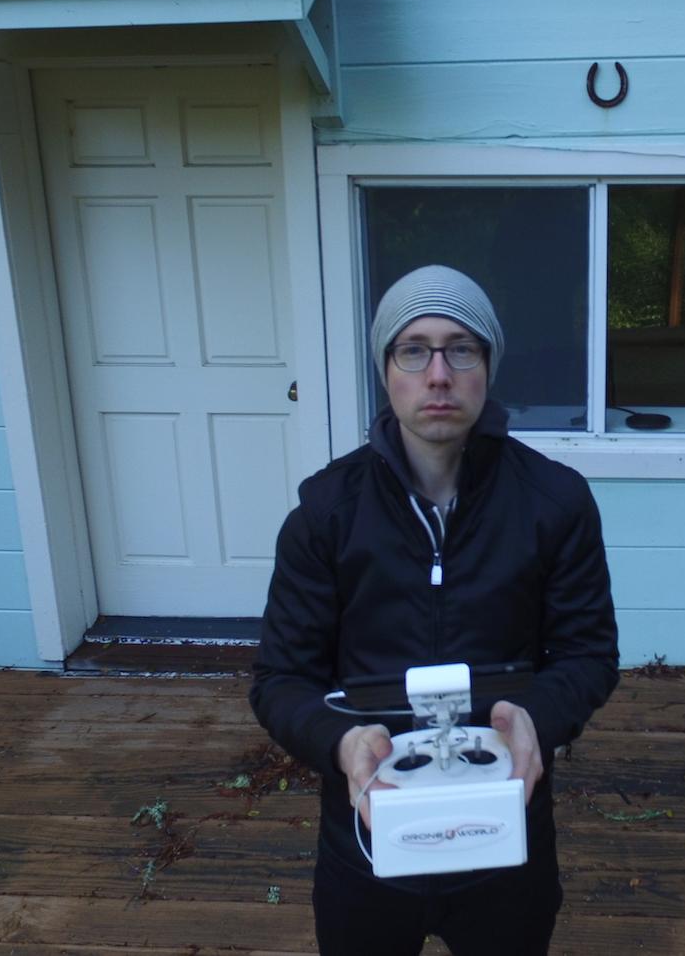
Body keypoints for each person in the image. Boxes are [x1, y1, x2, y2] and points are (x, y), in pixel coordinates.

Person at [250, 264, 620, 956]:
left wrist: (535, 719)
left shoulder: (556, 504)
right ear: (387, 370)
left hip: (506, 837)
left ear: (489, 365)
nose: (439, 375)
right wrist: (341, 743)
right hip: (366, 837)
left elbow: (587, 654)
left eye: (462, 349)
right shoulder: (325, 515)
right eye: (414, 350)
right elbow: (281, 679)